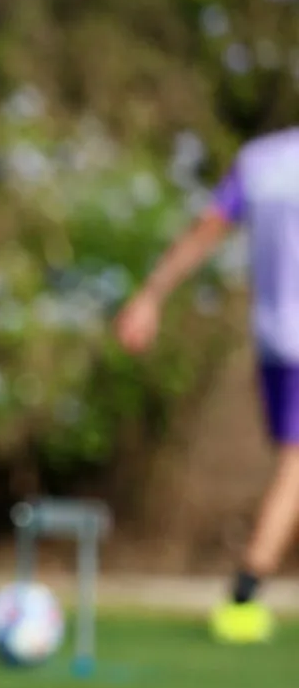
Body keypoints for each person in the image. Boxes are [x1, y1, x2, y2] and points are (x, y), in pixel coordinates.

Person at [116, 130, 299, 645]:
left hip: (274, 340)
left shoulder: (262, 161)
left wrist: (150, 296)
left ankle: (246, 589)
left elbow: (206, 230)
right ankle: (244, 595)